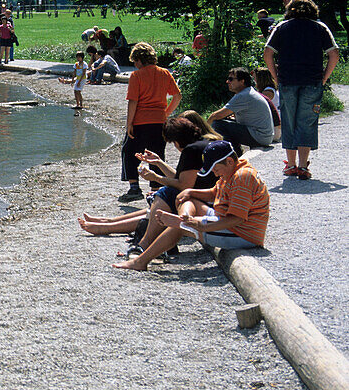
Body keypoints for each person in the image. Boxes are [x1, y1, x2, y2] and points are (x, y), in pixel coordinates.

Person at [113, 140, 269, 271]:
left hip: (243, 234)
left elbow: (236, 219)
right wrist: (189, 192)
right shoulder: (233, 170)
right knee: (186, 202)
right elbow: (214, 193)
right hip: (227, 221)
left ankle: (140, 261)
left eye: (216, 169)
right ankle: (182, 218)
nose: (215, 174)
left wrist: (193, 224)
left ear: (229, 161)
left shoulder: (242, 177)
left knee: (181, 225)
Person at [79, 117, 218, 255]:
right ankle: (107, 223)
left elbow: (183, 185)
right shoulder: (204, 144)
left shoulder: (192, 150)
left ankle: (133, 239)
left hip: (204, 203)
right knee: (160, 200)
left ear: (177, 140)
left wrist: (155, 178)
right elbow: (182, 179)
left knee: (165, 194)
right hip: (209, 198)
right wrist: (158, 162)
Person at [264, 0, 339, 179]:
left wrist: (275, 75)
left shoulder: (281, 27)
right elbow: (334, 53)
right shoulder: (320, 27)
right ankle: (303, 167)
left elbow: (268, 52)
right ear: (313, 9)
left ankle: (290, 165)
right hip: (312, 81)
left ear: (290, 9)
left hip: (288, 81)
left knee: (289, 120)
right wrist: (325, 77)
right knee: (307, 121)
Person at [119, 42, 181, 203]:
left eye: (134, 61)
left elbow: (133, 101)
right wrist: (166, 112)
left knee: (128, 151)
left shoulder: (136, 76)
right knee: (156, 155)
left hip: (140, 120)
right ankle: (155, 189)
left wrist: (129, 124)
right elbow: (177, 96)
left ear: (139, 60)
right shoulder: (164, 73)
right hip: (159, 121)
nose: (134, 64)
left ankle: (134, 187)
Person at [206, 68, 275, 149]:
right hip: (264, 136)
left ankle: (227, 151)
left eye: (231, 79)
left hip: (260, 137)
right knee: (225, 123)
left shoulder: (243, 95)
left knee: (217, 124)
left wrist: (204, 131)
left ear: (242, 81)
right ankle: (234, 150)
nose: (227, 82)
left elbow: (215, 116)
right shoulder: (248, 91)